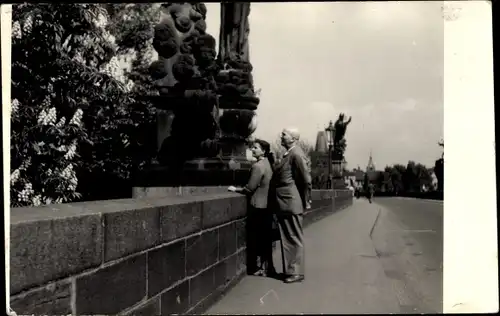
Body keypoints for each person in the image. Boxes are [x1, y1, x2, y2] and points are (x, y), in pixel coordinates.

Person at [228, 139, 278, 277]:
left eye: (255, 148)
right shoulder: (269, 164)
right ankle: (267, 267)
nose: (252, 150)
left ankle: (256, 268)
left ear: (263, 151)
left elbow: (249, 189)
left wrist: (234, 189)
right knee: (265, 240)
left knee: (256, 240)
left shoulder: (258, 167)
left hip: (257, 207)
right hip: (267, 206)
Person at [270, 128, 312, 284]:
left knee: (293, 237)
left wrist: (306, 200)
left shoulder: (296, 154)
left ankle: (295, 272)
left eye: (284, 134)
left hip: (290, 202)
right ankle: (292, 271)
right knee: (288, 237)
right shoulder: (290, 154)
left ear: (293, 138)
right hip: (286, 202)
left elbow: (306, 180)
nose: (281, 136)